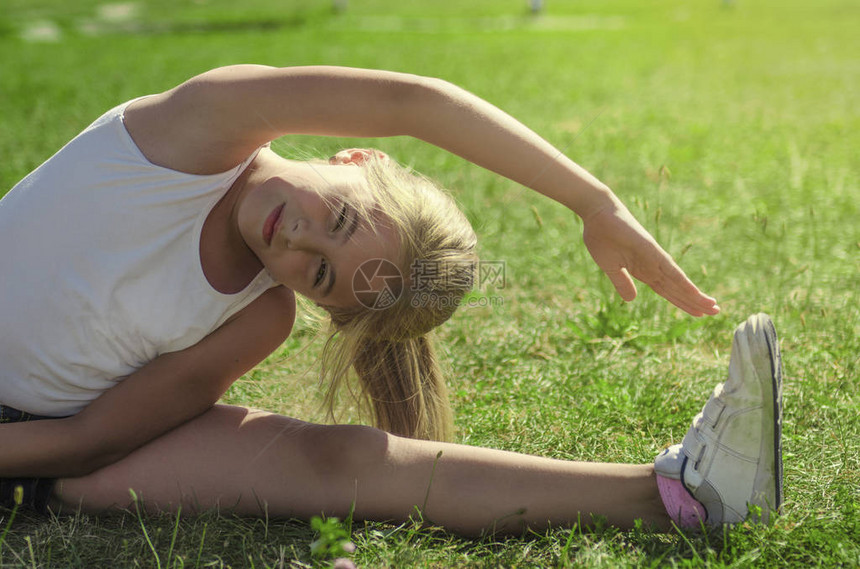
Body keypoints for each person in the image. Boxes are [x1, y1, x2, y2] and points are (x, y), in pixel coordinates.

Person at [0, 65, 781, 535]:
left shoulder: (258, 317)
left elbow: (93, 438)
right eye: (338, 218)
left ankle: (686, 495)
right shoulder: (200, 128)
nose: (297, 243)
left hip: (42, 447)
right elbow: (420, 102)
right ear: (358, 157)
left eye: (321, 277)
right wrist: (593, 200)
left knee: (341, 458)